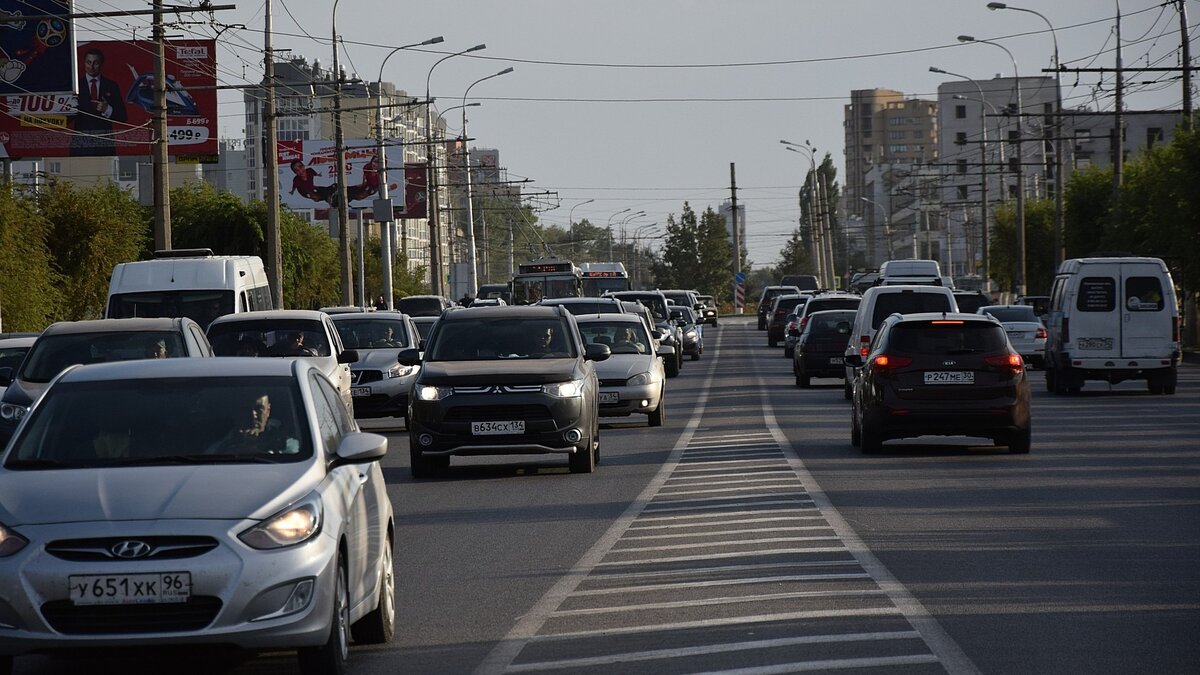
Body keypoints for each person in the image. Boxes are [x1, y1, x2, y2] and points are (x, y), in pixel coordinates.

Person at [72, 47, 127, 157]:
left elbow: (123, 116)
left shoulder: (111, 86)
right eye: (88, 62)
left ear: (101, 64)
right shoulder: (75, 86)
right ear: (84, 63)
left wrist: (107, 109)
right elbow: (65, 119)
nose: (91, 67)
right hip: (81, 147)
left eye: (95, 63)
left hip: (104, 146)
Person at [207, 392, 297, 455]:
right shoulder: (219, 449)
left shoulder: (288, 445)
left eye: (259, 409)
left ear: (268, 411)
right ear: (237, 412)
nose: (252, 415)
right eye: (245, 409)